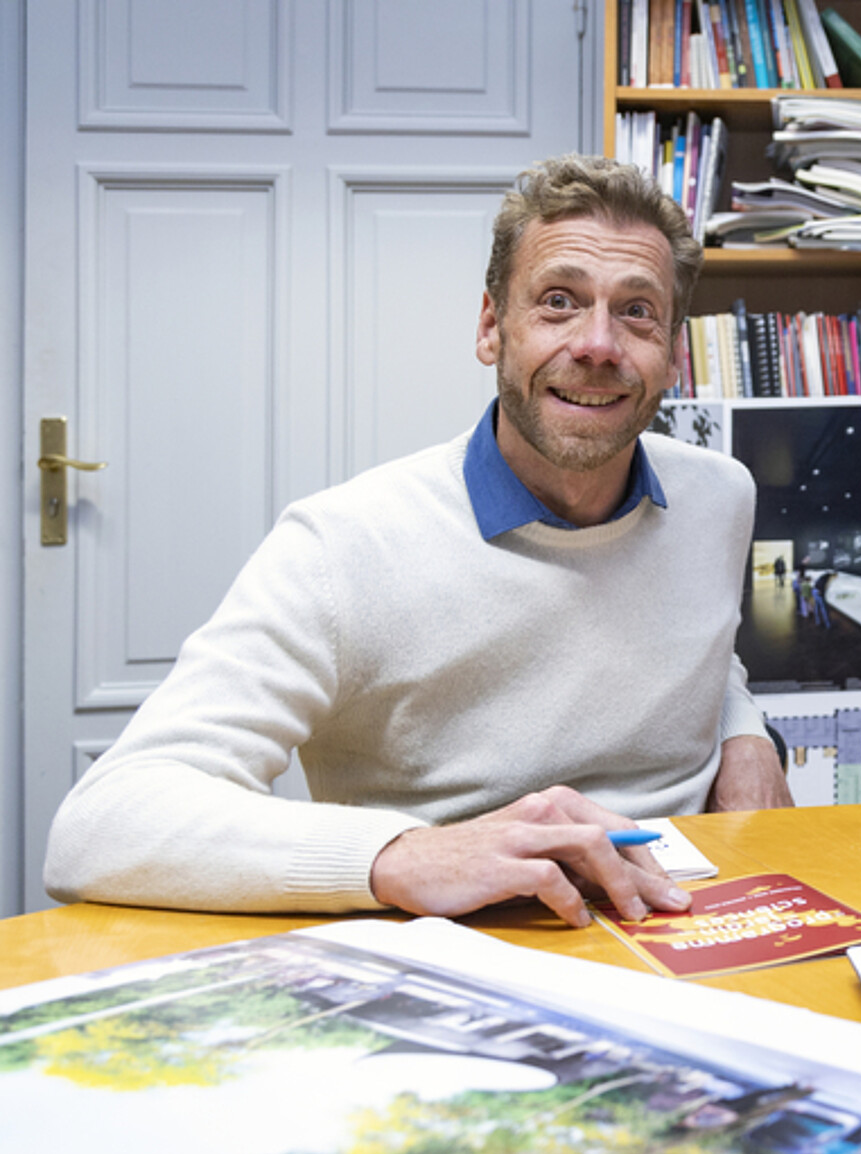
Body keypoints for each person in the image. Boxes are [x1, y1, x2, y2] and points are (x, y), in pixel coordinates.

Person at [45, 154, 793, 927]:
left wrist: (745, 733)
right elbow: (101, 823)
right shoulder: (342, 547)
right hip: (452, 960)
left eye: (637, 311)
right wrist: (401, 852)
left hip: (697, 922)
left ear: (674, 354)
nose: (598, 344)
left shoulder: (720, 497)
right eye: (559, 301)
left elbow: (696, 638)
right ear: (491, 327)